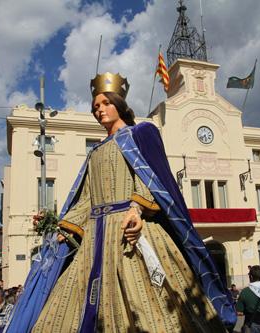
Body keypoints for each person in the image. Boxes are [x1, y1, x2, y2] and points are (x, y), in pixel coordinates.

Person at [12, 72, 233, 332]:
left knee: (149, 305)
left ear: (120, 103)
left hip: (130, 228)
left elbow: (152, 178)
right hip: (95, 235)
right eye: (95, 107)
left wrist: (136, 209)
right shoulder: (94, 152)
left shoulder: (142, 133)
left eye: (105, 103)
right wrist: (66, 227)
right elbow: (86, 199)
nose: (99, 110)